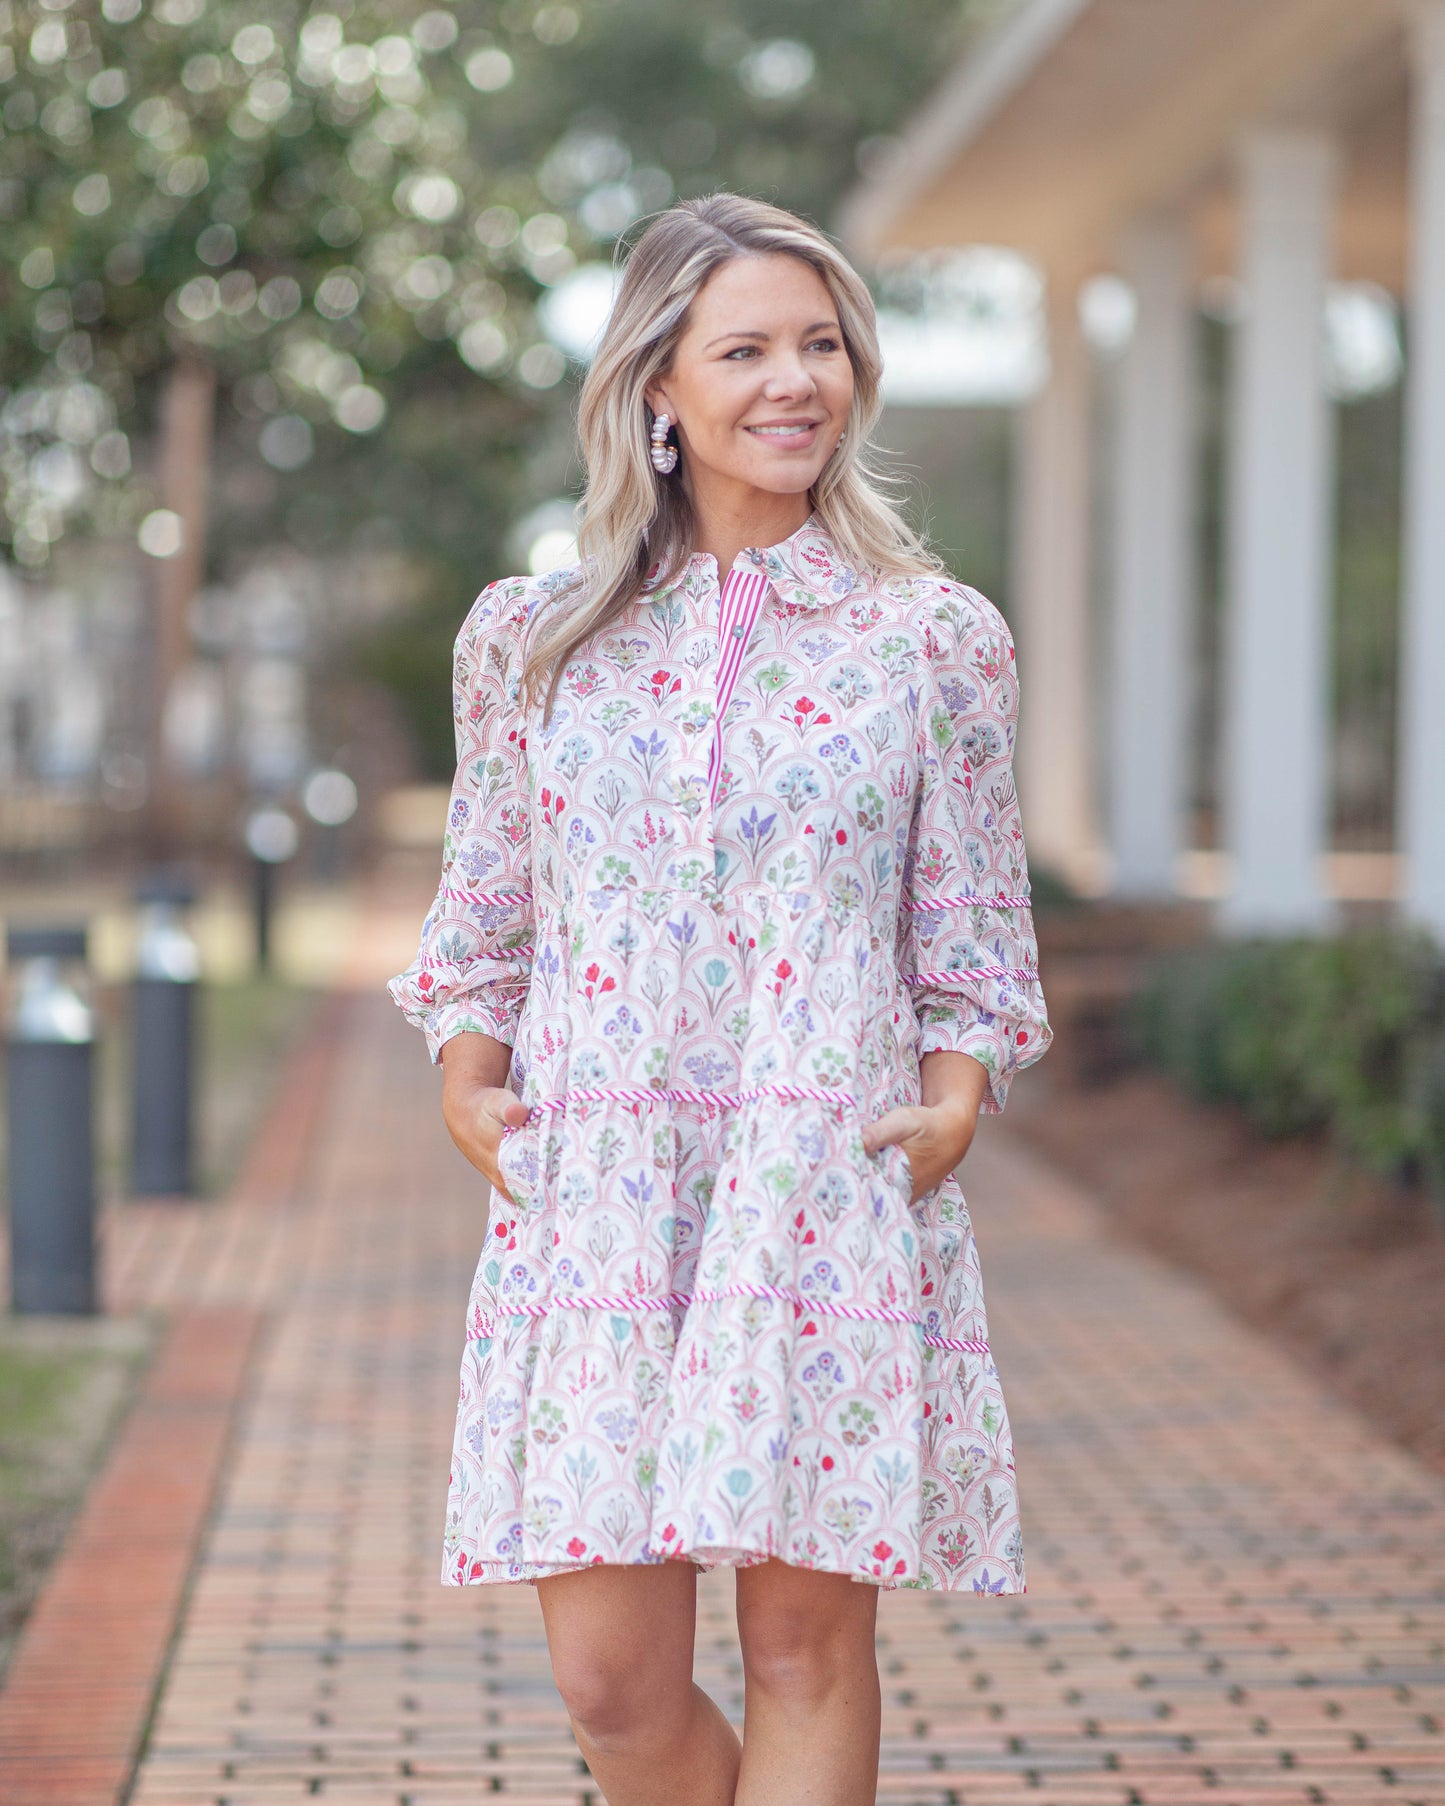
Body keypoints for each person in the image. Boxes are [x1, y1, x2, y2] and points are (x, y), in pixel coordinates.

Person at [389, 191, 1053, 1806]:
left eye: (821, 344)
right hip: (599, 1191)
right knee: (611, 1683)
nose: (794, 380)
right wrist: (469, 1079)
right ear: (655, 391)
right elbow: (485, 906)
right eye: (744, 346)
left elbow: (967, 918)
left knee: (805, 1654)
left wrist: (953, 1098)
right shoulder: (531, 641)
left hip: (815, 1184)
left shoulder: (930, 640)